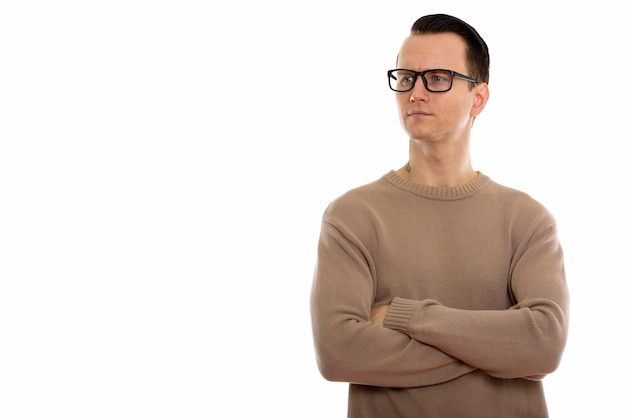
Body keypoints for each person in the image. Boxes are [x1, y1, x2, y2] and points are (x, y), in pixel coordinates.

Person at [310, 13, 569, 418]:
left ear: (478, 98)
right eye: (407, 77)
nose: (416, 92)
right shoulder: (353, 216)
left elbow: (544, 345)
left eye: (437, 79)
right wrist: (498, 347)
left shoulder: (527, 220)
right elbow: (338, 353)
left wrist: (406, 316)